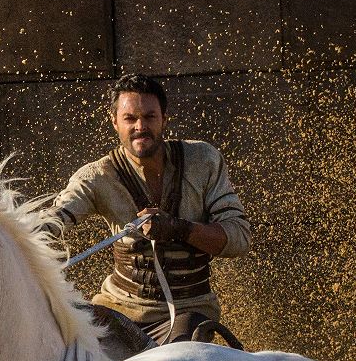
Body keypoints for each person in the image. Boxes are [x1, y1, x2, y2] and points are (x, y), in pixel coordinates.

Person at [38, 74, 251, 345]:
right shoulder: (95, 176)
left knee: (175, 360)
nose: (140, 127)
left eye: (150, 117)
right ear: (114, 122)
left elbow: (239, 238)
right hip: (117, 309)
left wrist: (179, 229)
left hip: (189, 311)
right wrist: (20, 233)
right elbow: (54, 219)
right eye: (130, 118)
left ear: (164, 119)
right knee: (71, 352)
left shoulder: (203, 160)